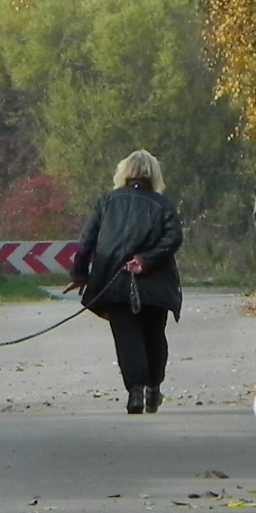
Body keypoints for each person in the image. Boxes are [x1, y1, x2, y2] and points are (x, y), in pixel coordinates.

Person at [64, 149, 183, 415]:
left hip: (113, 281)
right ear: (154, 174)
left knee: (127, 337)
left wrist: (80, 274)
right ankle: (153, 388)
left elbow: (87, 241)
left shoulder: (106, 202)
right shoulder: (162, 204)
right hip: (156, 284)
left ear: (124, 173)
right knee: (154, 335)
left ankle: (135, 392)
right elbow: (173, 238)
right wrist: (146, 260)